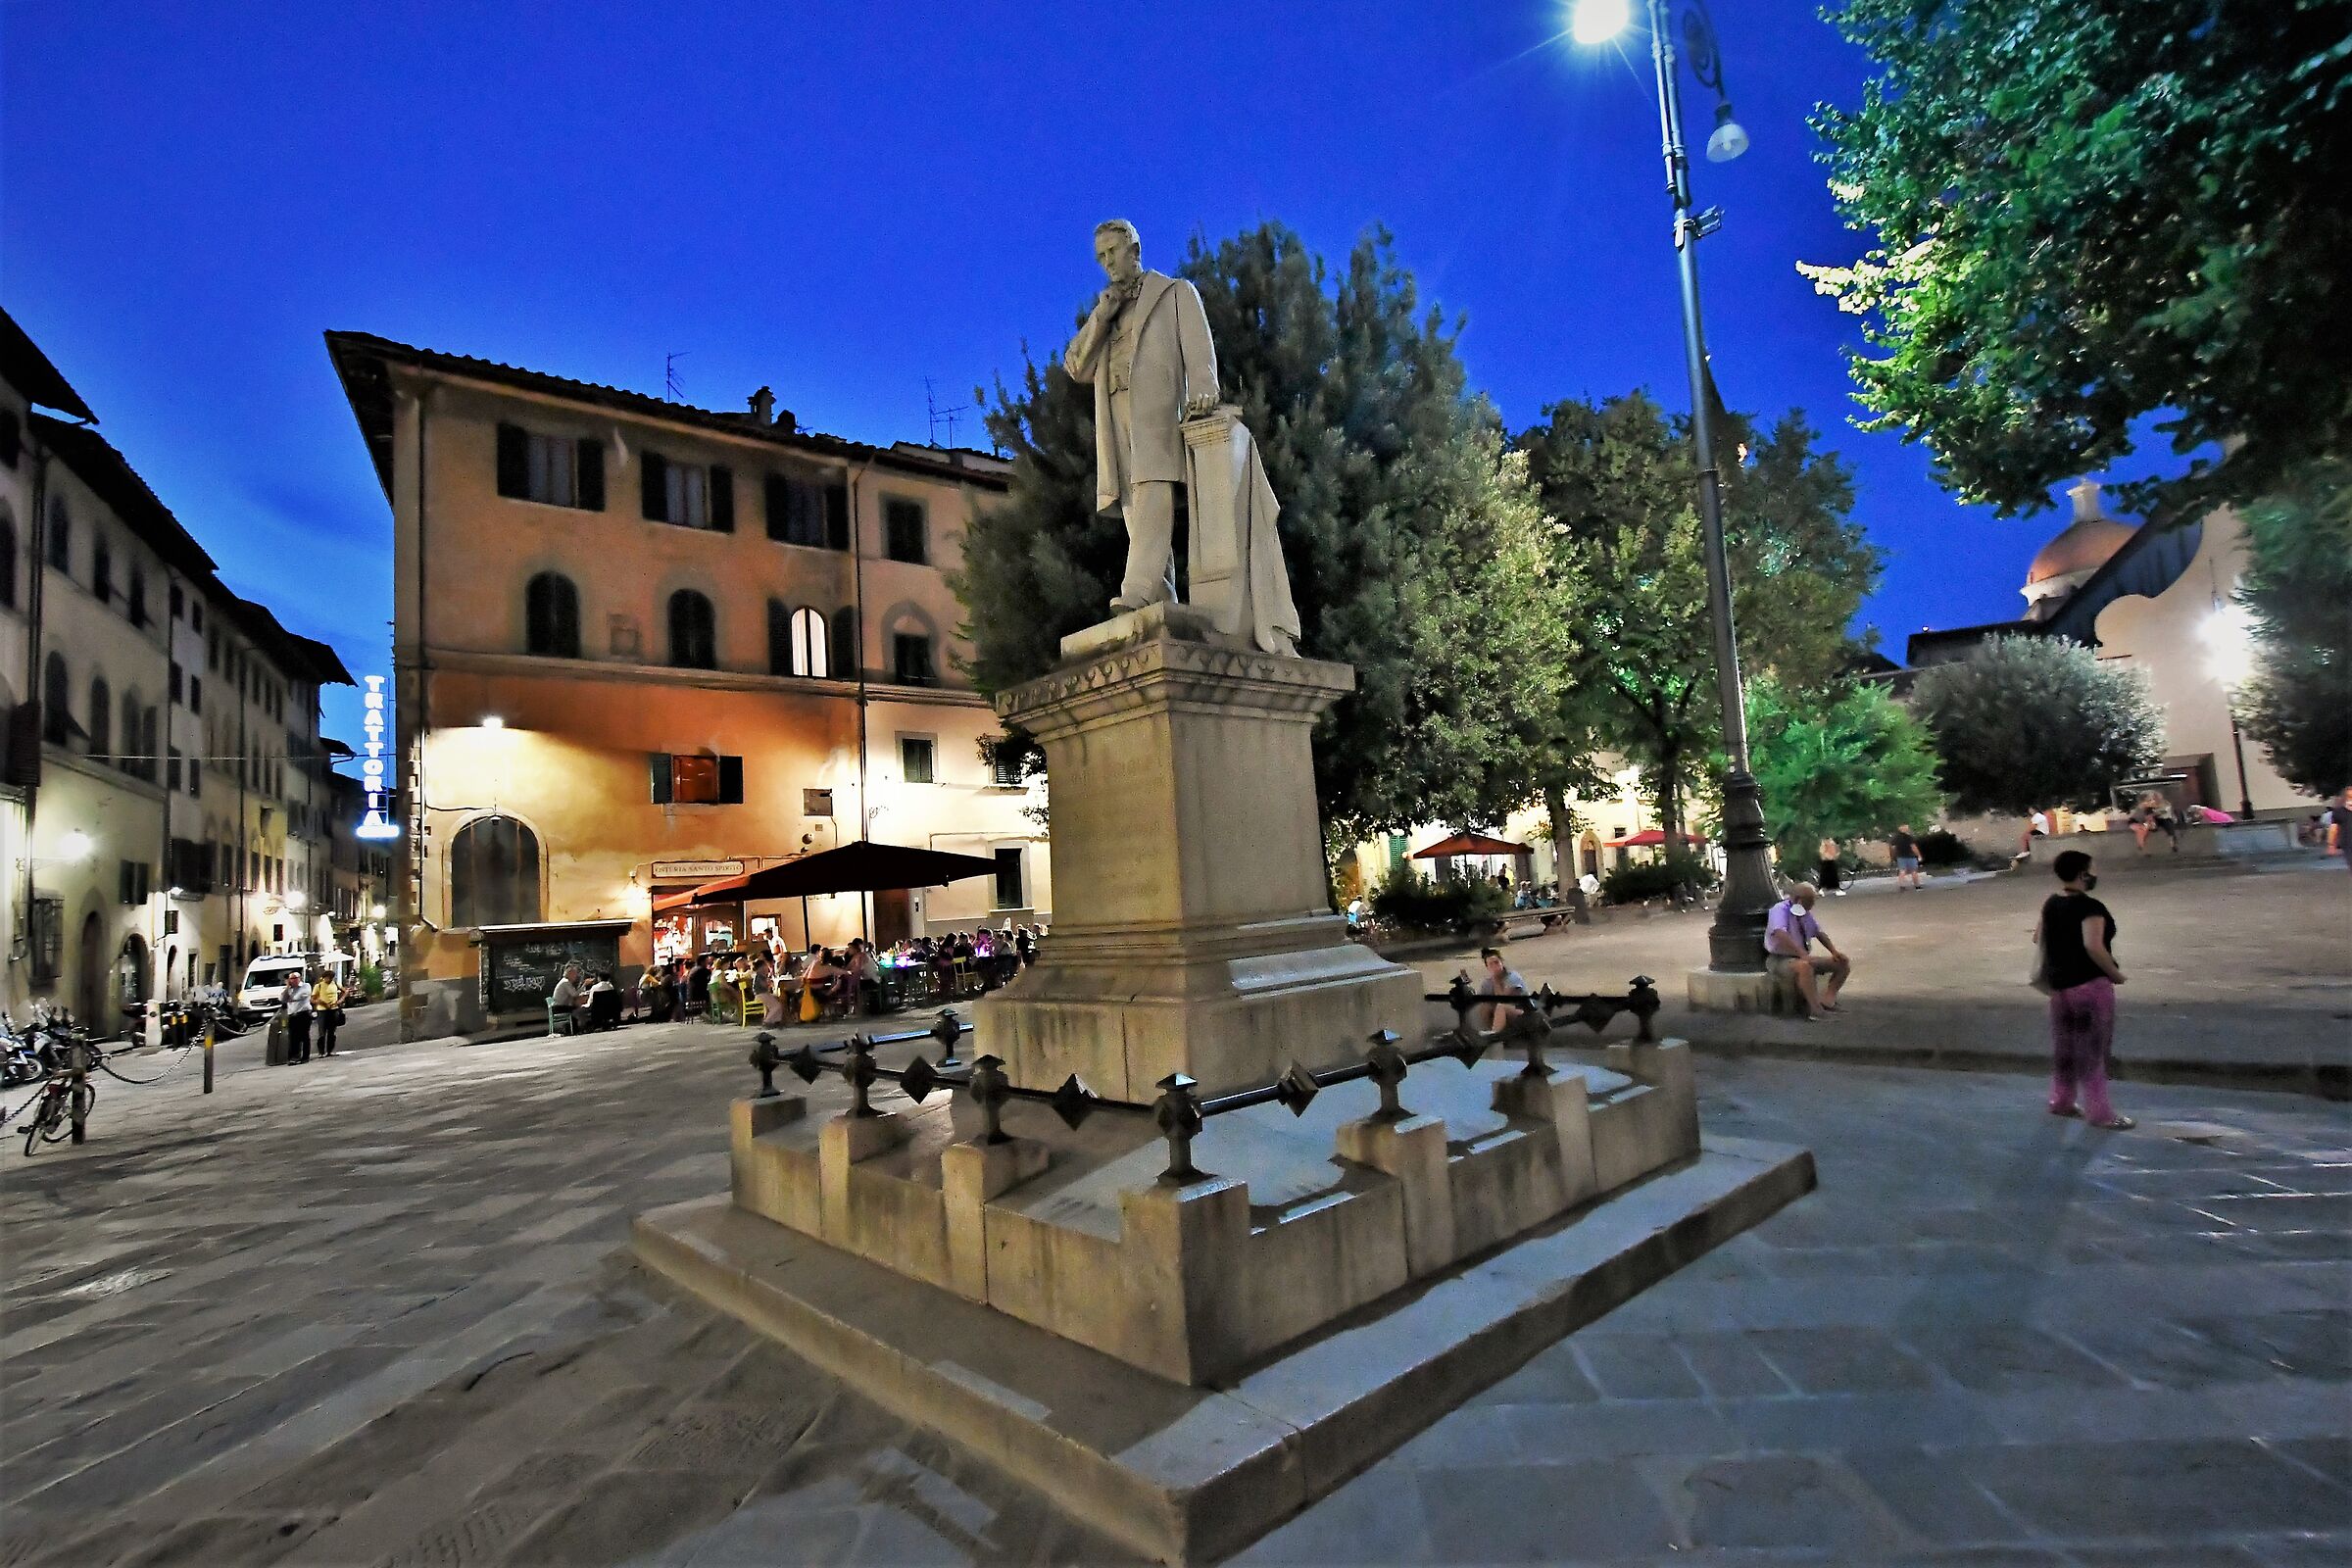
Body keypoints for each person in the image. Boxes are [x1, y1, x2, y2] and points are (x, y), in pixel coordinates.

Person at [2034, 849, 2132, 1130]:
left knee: (2064, 1049)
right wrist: (2115, 974)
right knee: (2093, 1052)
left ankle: (2061, 1100)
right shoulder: (2090, 907)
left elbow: (2038, 937)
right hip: (2090, 987)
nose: (2095, 873)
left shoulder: (2051, 903)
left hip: (2059, 987)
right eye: (2092, 868)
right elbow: (2093, 945)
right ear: (2082, 873)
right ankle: (2100, 1113)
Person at [1764, 883, 1852, 1021]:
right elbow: (1780, 933)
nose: (1812, 905)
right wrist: (1801, 954)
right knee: (1804, 967)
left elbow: (1818, 932)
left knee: (1842, 963)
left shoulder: (1805, 914)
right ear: (1799, 899)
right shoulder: (1779, 910)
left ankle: (1827, 1001)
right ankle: (1816, 1010)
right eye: (1810, 901)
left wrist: (1834, 951)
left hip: (1801, 956)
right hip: (1780, 959)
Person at [1473, 946, 1528, 1032]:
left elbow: (1502, 999)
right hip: (1503, 1014)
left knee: (1501, 1007)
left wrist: (1496, 981)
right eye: (1491, 964)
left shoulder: (1513, 977)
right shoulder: (1487, 983)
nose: (1495, 966)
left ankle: (1494, 1034)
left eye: (1497, 962)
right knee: (1485, 1007)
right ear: (1487, 967)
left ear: (1502, 962)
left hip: (1523, 1012)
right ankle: (1489, 1030)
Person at [281, 969, 314, 1062]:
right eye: (290, 979)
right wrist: (287, 988)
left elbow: (299, 996)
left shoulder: (305, 986)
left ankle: (305, 1056)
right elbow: (282, 999)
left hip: (303, 1013)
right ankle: (294, 1057)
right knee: (293, 1037)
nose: (292, 980)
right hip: (292, 1015)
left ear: (299, 978)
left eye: (294, 978)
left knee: (304, 1036)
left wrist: (290, 998)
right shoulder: (288, 989)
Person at [312, 968, 344, 1057]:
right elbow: (312, 999)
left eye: (329, 978)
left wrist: (340, 1000)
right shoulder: (319, 986)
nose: (328, 980)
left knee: (331, 1032)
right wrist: (321, 1002)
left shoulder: (335, 984)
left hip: (333, 1009)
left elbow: (345, 991)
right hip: (322, 1010)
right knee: (322, 1032)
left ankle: (330, 1050)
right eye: (326, 978)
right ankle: (321, 1051)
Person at [550, 963, 587, 1033]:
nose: (576, 976)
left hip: (561, 1006)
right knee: (579, 1010)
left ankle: (574, 1028)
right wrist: (584, 985)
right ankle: (578, 1029)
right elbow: (574, 994)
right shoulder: (565, 982)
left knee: (576, 1007)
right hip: (559, 1007)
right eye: (575, 974)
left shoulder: (566, 982)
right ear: (570, 974)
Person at [1889, 824, 1923, 891]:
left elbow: (1892, 848)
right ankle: (1917, 886)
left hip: (1900, 856)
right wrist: (1919, 855)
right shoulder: (1909, 837)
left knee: (1902, 871)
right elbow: (1913, 847)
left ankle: (1902, 886)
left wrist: (1893, 856)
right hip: (1911, 856)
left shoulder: (1895, 838)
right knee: (1913, 871)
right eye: (1906, 827)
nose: (1907, 828)